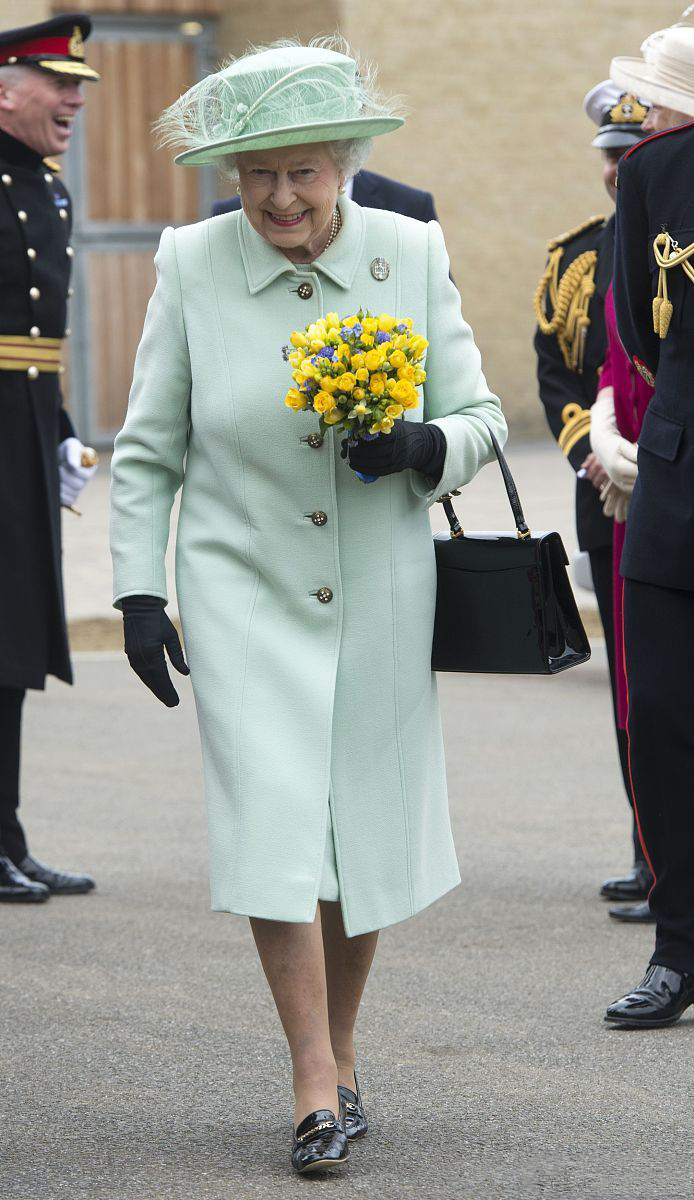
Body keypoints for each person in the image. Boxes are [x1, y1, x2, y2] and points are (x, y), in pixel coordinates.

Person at [110, 37, 506, 1172]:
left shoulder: (408, 249)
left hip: (379, 589)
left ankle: (342, 1049)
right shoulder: (191, 262)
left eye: (303, 172)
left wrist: (426, 445)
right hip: (243, 588)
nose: (281, 197)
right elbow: (149, 450)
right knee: (277, 821)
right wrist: (140, 588)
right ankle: (310, 1082)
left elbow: (480, 415)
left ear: (343, 164)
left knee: (361, 829)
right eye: (257, 175)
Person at [533, 81, 652, 916]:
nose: (618, 169)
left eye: (632, 151)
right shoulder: (577, 258)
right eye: (610, 155)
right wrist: (594, 455)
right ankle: (653, 852)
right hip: (606, 494)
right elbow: (556, 373)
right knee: (633, 685)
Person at [605, 23, 694, 1028]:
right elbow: (633, 323)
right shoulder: (652, 173)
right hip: (679, 478)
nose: (652, 115)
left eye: (662, 97)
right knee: (664, 719)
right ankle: (679, 946)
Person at [0, 14, 99, 904]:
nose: (75, 99)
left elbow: (36, 337)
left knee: (14, 634)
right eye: (59, 84)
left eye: (80, 86)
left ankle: (7, 836)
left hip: (24, 427)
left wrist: (59, 425)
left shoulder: (47, 189)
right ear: (5, 91)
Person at [212, 163, 439, 222]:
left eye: (304, 171)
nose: (282, 200)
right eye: (261, 171)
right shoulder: (227, 216)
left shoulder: (412, 208)